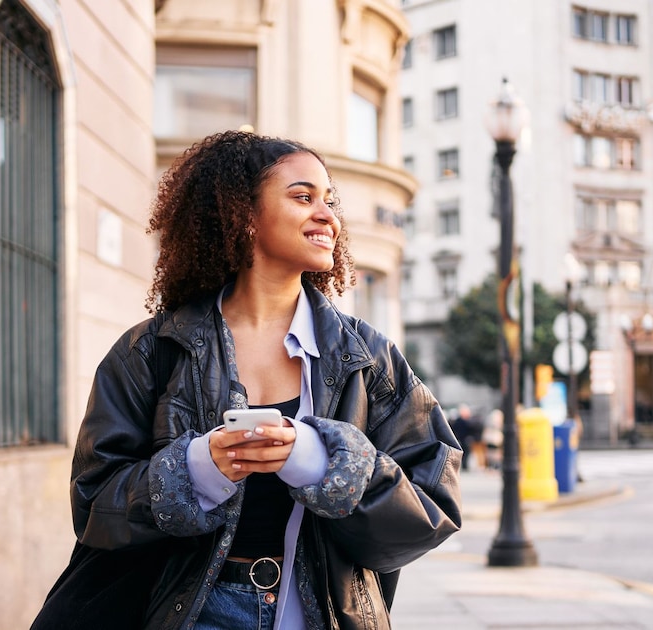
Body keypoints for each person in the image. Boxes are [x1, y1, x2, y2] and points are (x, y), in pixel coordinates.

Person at [31, 130, 463, 629]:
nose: (329, 216)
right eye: (303, 197)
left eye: (329, 201)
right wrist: (197, 470)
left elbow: (433, 505)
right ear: (244, 214)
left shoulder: (367, 357)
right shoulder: (150, 351)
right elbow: (93, 505)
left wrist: (324, 462)